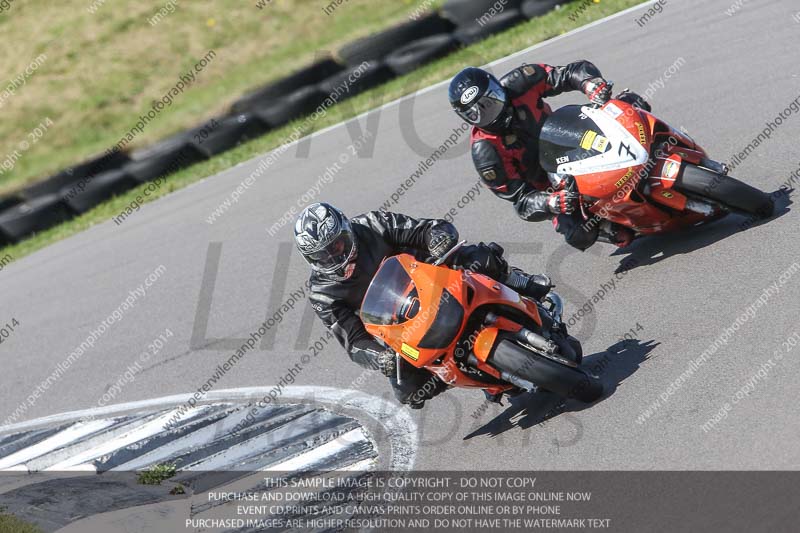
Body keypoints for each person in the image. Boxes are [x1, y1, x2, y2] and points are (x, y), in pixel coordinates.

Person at [294, 202, 553, 409]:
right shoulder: (322, 294)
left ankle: (520, 282)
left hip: (435, 278)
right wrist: (379, 357)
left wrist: (437, 239)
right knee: (408, 390)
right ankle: (473, 376)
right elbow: (353, 342)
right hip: (402, 325)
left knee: (477, 258)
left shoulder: (372, 224)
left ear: (346, 229)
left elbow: (427, 228)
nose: (334, 256)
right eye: (322, 255)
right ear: (310, 258)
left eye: (337, 245)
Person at [448, 61, 652, 250]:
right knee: (580, 233)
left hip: (573, 135)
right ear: (466, 118)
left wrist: (590, 84)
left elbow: (567, 73)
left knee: (631, 103)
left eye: (491, 101)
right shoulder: (486, 153)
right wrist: (550, 202)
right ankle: (608, 225)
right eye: (477, 113)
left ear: (497, 88)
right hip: (555, 184)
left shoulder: (520, 81)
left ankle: (661, 142)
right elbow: (521, 200)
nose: (489, 112)